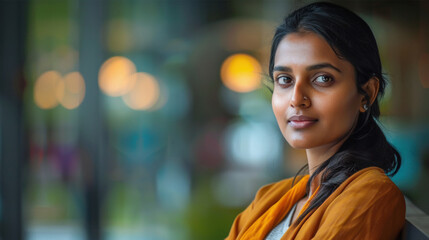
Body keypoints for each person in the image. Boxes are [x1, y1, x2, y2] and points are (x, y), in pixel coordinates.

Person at [225, 2, 405, 240]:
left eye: (322, 78)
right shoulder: (268, 199)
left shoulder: (370, 195)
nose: (297, 99)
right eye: (285, 80)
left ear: (367, 93)